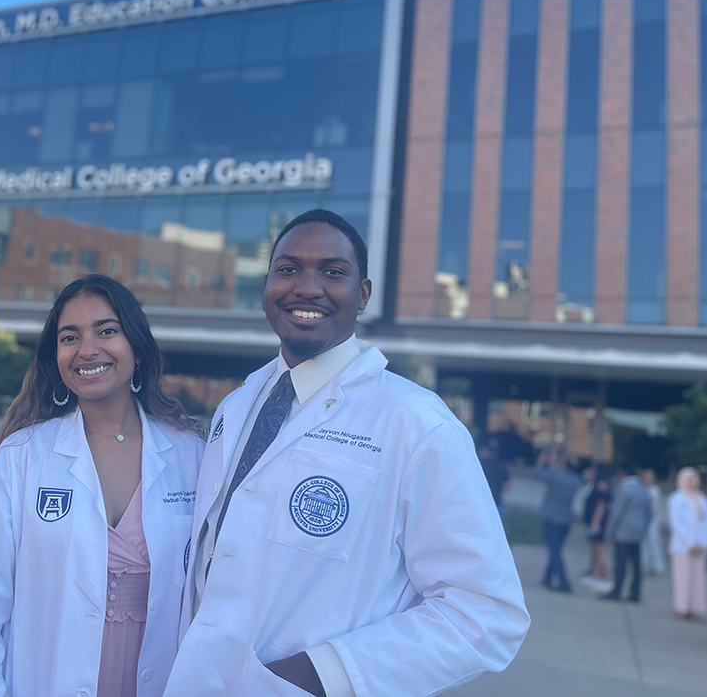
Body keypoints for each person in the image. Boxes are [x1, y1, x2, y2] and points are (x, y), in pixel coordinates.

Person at [164, 211, 529, 697]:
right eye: (288, 269)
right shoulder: (239, 403)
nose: (306, 287)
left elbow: (485, 612)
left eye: (332, 272)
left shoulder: (416, 422)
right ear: (268, 283)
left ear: (363, 295)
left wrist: (322, 675)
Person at [0, 275, 204, 697]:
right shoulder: (21, 456)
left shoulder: (194, 457)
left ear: (137, 348)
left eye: (107, 331)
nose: (87, 349)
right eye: (69, 337)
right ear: (55, 358)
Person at [602, 464, 652, 603]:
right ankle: (635, 593)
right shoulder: (644, 489)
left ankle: (617, 590)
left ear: (622, 474)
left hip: (623, 531)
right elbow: (649, 513)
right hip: (638, 532)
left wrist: (609, 532)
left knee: (621, 563)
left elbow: (617, 512)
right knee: (636, 564)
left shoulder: (624, 489)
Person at [534, 450, 582, 593]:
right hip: (566, 519)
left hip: (552, 517)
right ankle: (547, 577)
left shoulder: (556, 476)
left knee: (554, 552)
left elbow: (539, 475)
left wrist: (542, 462)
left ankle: (564, 582)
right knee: (556, 549)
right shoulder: (577, 481)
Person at [667, 467, 707, 620]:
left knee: (697, 578)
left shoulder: (702, 499)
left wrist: (702, 543)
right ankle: (681, 607)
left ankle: (694, 607)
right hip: (682, 546)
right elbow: (676, 523)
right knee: (682, 576)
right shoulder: (676, 498)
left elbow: (704, 524)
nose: (694, 482)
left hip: (700, 546)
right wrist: (690, 543)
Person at [581, 475, 612, 593]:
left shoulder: (602, 487)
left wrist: (594, 524)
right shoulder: (594, 486)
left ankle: (607, 579)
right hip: (595, 524)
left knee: (600, 552)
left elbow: (601, 507)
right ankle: (594, 576)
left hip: (599, 525)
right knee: (594, 551)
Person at [640, 468, 666, 576]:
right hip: (642, 521)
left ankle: (657, 566)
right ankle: (645, 566)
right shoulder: (642, 489)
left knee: (654, 543)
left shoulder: (655, 490)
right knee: (643, 545)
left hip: (653, 522)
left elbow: (653, 508)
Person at [479, 437, 510, 510]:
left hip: (480, 502)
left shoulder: (479, 465)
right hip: (496, 503)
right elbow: (507, 487)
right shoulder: (501, 466)